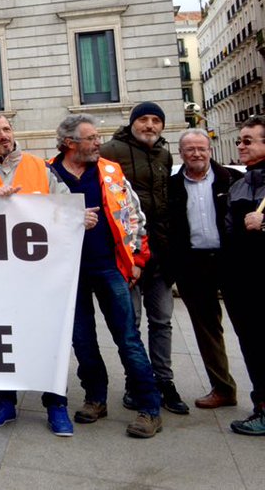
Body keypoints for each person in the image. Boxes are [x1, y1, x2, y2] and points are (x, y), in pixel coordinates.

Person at [0, 113, 78, 437]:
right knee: (2, 338)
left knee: (48, 336)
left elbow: (66, 205)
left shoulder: (41, 167)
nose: (3, 135)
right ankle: (5, 402)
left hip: (41, 272)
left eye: (6, 129)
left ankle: (56, 405)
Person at [49, 114, 162, 439]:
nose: (99, 143)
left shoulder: (110, 171)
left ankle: (149, 408)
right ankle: (95, 398)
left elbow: (134, 215)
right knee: (82, 341)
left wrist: (138, 259)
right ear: (70, 143)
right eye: (92, 138)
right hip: (68, 273)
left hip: (109, 267)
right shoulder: (47, 173)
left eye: (98, 137)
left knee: (127, 338)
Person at [99, 102, 187, 415]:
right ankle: (135, 381)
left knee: (162, 322)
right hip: (128, 256)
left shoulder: (164, 154)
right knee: (130, 324)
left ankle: (164, 380)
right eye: (144, 120)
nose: (149, 125)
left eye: (155, 121)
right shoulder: (111, 152)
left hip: (161, 255)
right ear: (133, 122)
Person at [166, 129, 243, 412]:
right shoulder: (171, 186)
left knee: (249, 328)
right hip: (193, 266)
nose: (196, 153)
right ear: (181, 153)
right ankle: (223, 389)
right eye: (190, 149)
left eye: (201, 148)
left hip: (232, 264)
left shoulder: (233, 179)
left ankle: (261, 392)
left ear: (209, 150)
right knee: (207, 331)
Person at [221, 117, 265, 435]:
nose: (241, 145)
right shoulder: (239, 184)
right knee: (252, 347)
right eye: (240, 140)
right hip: (241, 284)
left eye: (248, 140)